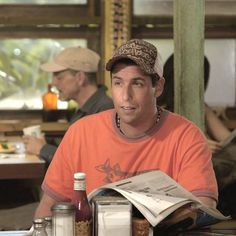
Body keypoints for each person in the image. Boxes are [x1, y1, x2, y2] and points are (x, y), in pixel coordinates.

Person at [35, 39, 218, 228]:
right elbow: (48, 208)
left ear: (159, 87)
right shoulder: (81, 132)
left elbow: (204, 205)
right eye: (118, 83)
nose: (125, 96)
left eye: (137, 83)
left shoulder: (186, 135)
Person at [160, 54, 236, 217]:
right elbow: (159, 145)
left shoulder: (202, 105)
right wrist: (199, 144)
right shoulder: (159, 108)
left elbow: (225, 137)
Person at [23, 46, 113, 164]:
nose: (53, 83)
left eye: (59, 77)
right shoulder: (84, 109)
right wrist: (46, 142)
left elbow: (87, 163)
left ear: (80, 78)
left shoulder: (105, 110)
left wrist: (42, 149)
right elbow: (74, 150)